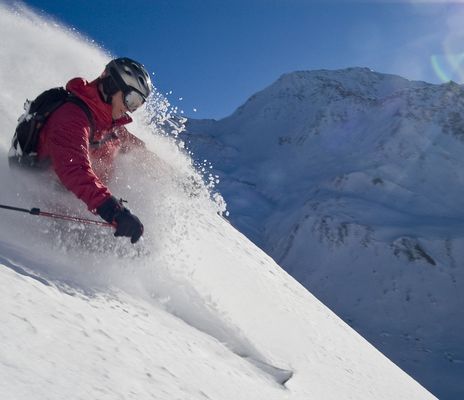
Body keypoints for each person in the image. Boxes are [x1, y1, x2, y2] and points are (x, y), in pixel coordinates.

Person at [12, 57, 152, 244]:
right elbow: (74, 170)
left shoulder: (111, 126)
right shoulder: (71, 118)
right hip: (53, 214)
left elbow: (139, 152)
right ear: (111, 85)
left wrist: (174, 177)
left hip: (89, 208)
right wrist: (115, 212)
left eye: (137, 104)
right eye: (130, 99)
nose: (130, 109)